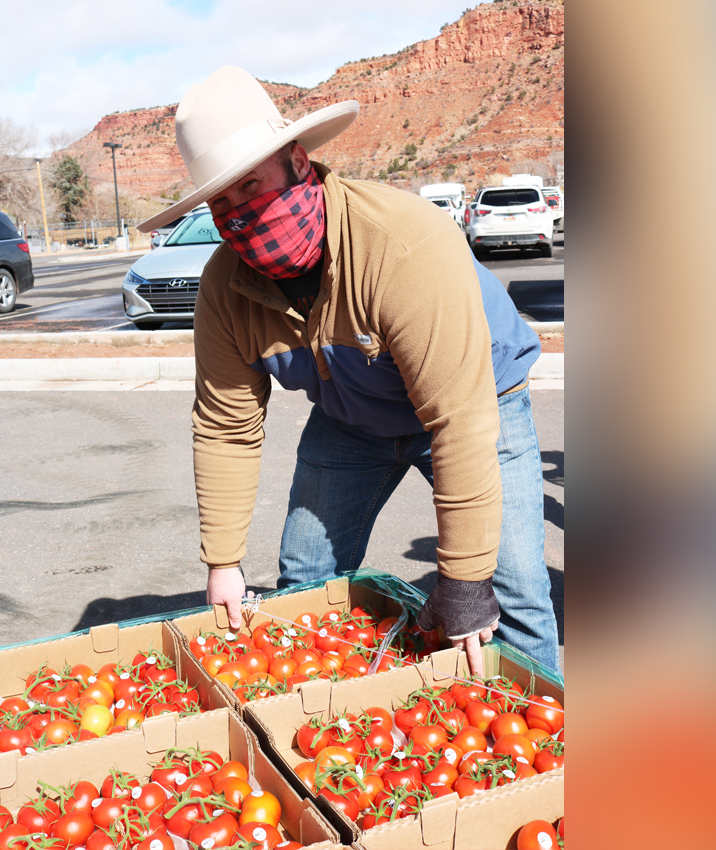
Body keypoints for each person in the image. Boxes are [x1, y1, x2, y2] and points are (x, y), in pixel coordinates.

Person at [139, 66, 559, 675]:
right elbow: (227, 426)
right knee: (305, 585)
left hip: (477, 402)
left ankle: (552, 748)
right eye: (221, 201)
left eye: (251, 185)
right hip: (350, 419)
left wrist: (464, 577)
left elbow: (460, 421)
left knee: (509, 595)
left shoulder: (402, 244)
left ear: (298, 162)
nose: (240, 213)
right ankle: (318, 719)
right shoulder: (225, 289)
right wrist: (223, 563)